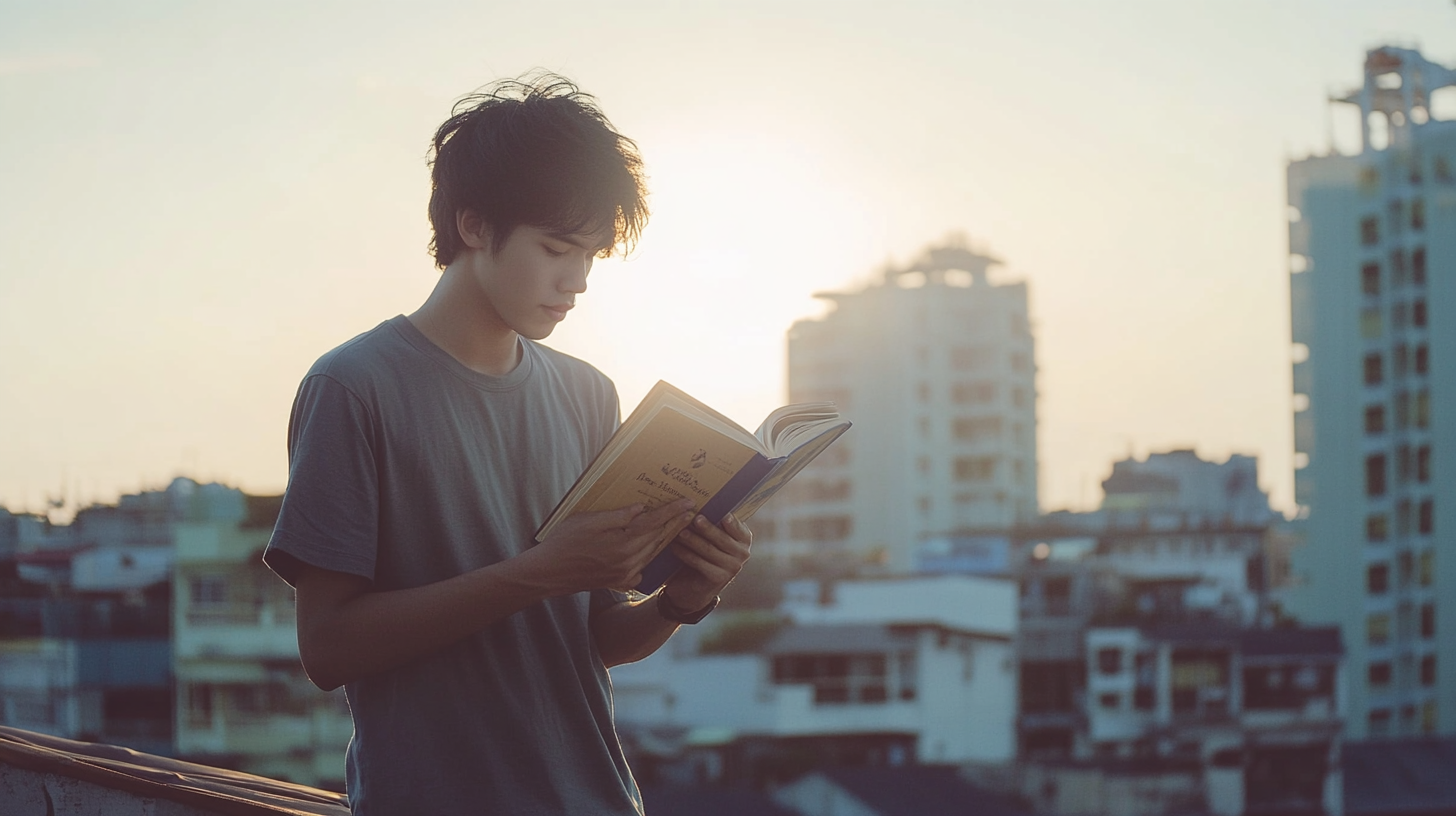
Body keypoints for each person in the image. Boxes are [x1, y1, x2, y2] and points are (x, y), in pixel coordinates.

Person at [263, 74, 752, 816]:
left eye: (590, 255)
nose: (577, 280)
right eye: (557, 248)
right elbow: (328, 649)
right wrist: (535, 574)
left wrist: (678, 601)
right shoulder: (354, 387)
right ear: (472, 226)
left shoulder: (588, 393)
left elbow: (584, 642)